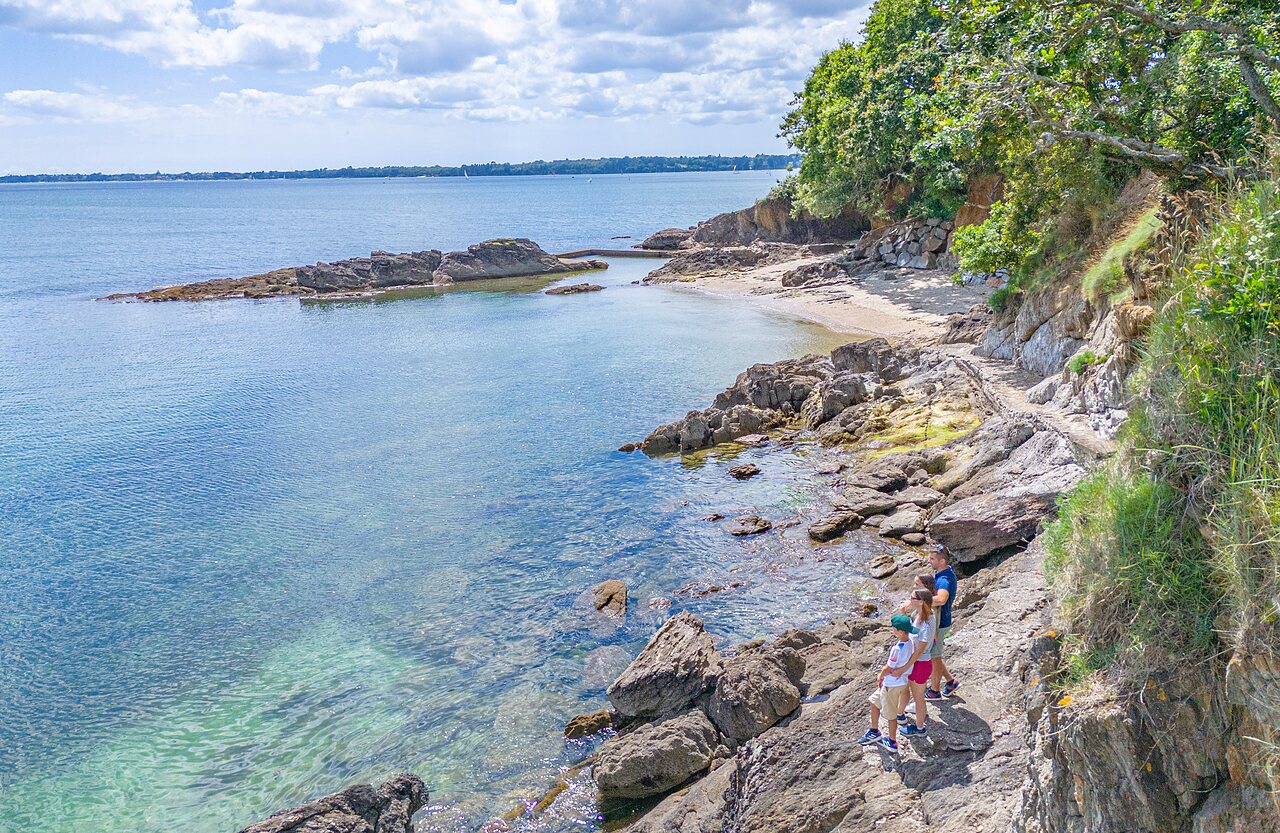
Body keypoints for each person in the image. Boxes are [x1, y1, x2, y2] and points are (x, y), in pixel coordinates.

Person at [856, 613, 916, 751]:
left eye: (894, 628)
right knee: (874, 702)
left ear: (900, 632)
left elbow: (889, 667)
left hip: (892, 685)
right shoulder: (910, 642)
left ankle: (892, 741)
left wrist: (881, 675)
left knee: (891, 715)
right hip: (897, 682)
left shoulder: (897, 649)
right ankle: (874, 730)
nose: (892, 630)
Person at [896, 588, 935, 737]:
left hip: (920, 664)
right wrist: (903, 613)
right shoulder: (918, 615)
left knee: (919, 698)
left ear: (921, 601)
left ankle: (919, 728)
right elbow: (911, 631)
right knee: (906, 690)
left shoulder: (926, 623)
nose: (909, 599)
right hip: (915, 662)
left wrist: (904, 667)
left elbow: (919, 651)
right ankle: (902, 714)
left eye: (912, 598)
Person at [925, 547, 960, 699]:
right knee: (936, 654)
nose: (928, 561)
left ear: (942, 561)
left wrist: (919, 600)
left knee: (935, 656)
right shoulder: (945, 572)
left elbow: (941, 599)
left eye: (932, 559)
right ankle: (951, 681)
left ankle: (934, 691)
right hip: (943, 619)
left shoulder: (944, 579)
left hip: (941, 621)